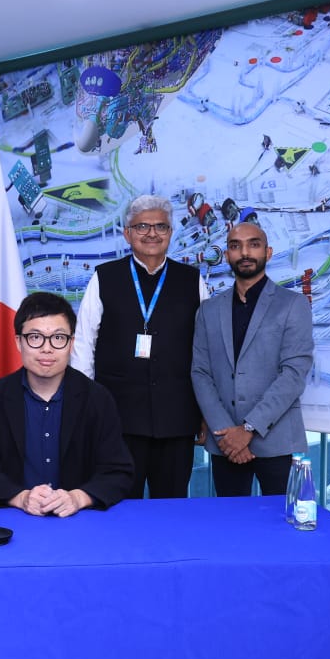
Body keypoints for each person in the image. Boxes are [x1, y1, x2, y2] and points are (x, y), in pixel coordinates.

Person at [72, 193, 208, 499]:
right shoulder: (104, 277)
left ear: (171, 233)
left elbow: (207, 351)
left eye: (161, 226)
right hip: (117, 418)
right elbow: (83, 344)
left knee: (171, 506)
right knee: (118, 505)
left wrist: (205, 412)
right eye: (142, 226)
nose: (152, 234)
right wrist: (86, 407)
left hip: (177, 419)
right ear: (127, 233)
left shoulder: (192, 281)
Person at [0, 291, 136, 515]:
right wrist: (20, 498)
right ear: (18, 342)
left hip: (80, 521)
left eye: (58, 338)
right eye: (35, 337)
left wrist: (79, 498)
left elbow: (118, 471)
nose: (47, 348)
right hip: (14, 519)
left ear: (71, 343)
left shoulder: (97, 398)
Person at [190, 220, 314, 497]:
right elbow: (200, 372)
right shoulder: (208, 310)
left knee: (280, 521)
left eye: (253, 245)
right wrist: (226, 432)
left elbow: (293, 375)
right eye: (236, 246)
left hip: (276, 440)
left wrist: (248, 429)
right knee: (231, 521)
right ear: (227, 255)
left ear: (268, 253)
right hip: (225, 443)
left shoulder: (293, 305)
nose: (245, 252)